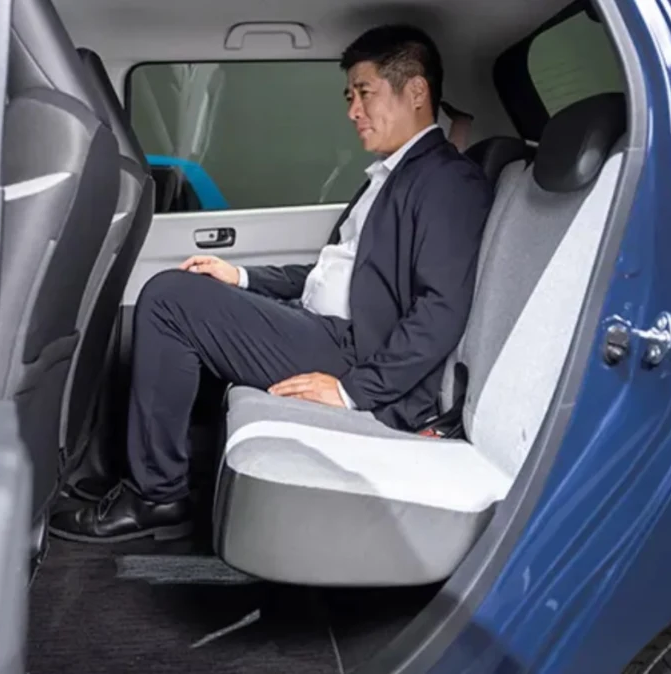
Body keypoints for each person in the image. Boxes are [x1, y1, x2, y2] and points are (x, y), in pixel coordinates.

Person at [50, 24, 494, 543]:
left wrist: (352, 391)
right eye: (348, 97)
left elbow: (441, 310)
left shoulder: (446, 181)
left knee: (169, 300)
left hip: (357, 353)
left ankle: (156, 494)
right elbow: (333, 272)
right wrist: (239, 276)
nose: (352, 110)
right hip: (325, 329)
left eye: (364, 93)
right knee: (186, 288)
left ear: (416, 91)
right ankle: (139, 473)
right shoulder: (390, 176)